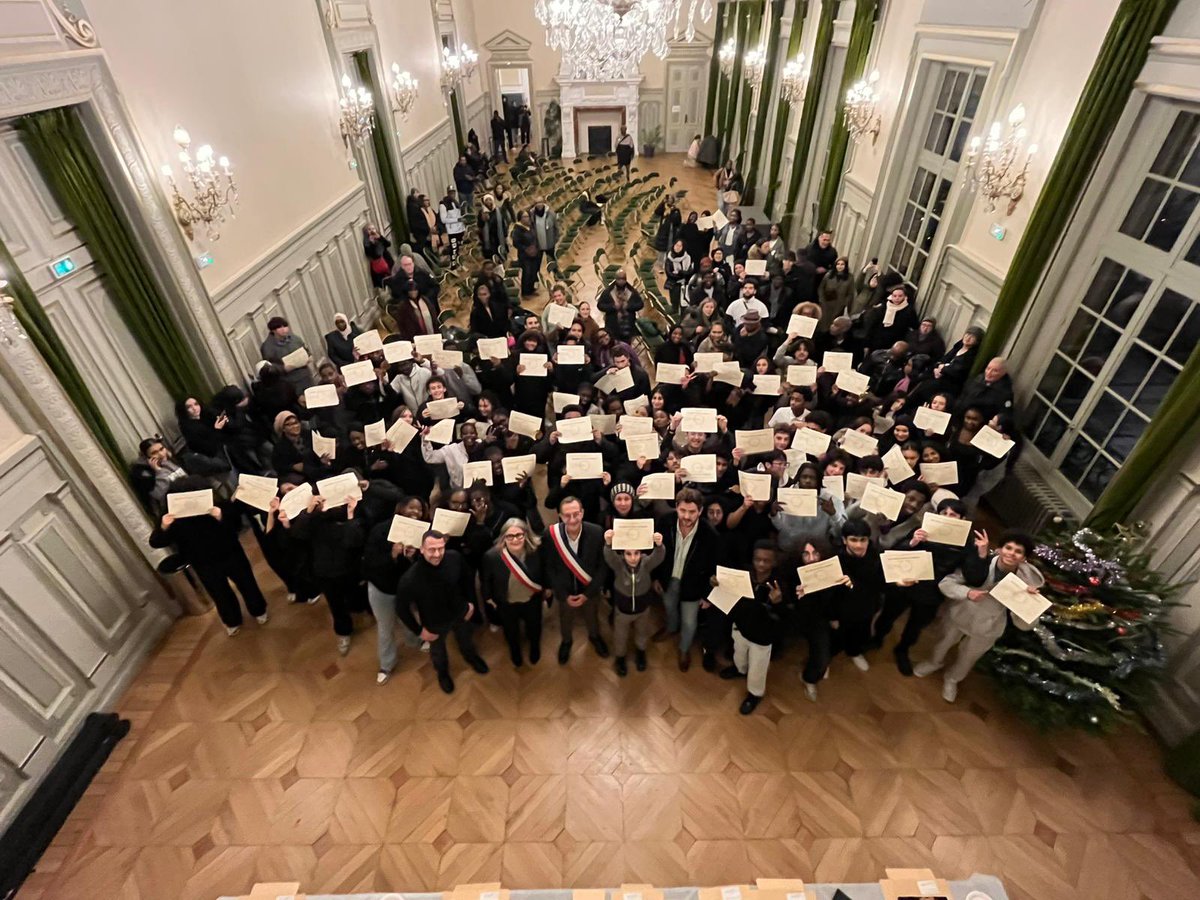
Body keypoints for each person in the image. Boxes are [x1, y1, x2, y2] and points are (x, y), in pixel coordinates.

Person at [915, 530, 1044, 703]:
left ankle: (952, 679)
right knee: (943, 640)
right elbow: (947, 583)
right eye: (1008, 547)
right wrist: (967, 592)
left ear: (1024, 558)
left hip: (989, 625)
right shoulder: (979, 563)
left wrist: (1026, 601)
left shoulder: (1027, 583)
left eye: (1018, 551)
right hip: (961, 612)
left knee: (969, 656)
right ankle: (933, 662)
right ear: (999, 549)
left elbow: (1026, 625)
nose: (1011, 553)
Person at [150, 476, 269, 636]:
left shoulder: (218, 504)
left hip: (230, 553)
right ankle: (231, 620)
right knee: (219, 593)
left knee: (247, 583)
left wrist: (220, 516)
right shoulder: (172, 514)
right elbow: (156, 542)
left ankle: (258, 610)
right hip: (202, 562)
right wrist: (164, 526)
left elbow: (237, 525)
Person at [396, 531, 489, 693]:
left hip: (460, 613)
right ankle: (443, 673)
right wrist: (419, 631)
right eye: (432, 550)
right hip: (434, 622)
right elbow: (401, 609)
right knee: (438, 652)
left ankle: (471, 657)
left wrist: (470, 605)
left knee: (466, 639)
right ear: (422, 549)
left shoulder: (454, 558)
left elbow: (467, 580)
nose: (437, 554)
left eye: (441, 548)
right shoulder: (410, 579)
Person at [651, 488, 719, 671]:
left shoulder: (710, 534)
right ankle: (671, 628)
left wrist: (707, 595)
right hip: (668, 579)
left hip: (694, 586)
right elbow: (656, 552)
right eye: (682, 511)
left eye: (692, 512)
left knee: (690, 622)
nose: (687, 516)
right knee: (669, 607)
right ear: (676, 508)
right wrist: (656, 577)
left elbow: (714, 568)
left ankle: (684, 649)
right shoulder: (665, 523)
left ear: (700, 511)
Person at [720, 540, 786, 714]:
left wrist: (778, 602)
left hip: (762, 636)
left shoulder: (780, 583)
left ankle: (755, 694)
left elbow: (786, 615)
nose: (761, 564)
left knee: (757, 668)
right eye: (758, 559)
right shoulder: (745, 574)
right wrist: (717, 583)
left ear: (774, 562)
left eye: (766, 560)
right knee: (739, 655)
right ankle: (739, 669)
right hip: (740, 627)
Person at [540, 495, 609, 663]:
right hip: (565, 591)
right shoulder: (550, 535)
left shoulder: (596, 532)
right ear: (560, 516)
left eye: (576, 514)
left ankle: (594, 636)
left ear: (582, 513)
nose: (572, 519)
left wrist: (589, 593)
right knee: (565, 618)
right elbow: (548, 567)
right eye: (567, 515)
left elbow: (603, 566)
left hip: (590, 590)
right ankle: (566, 641)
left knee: (592, 615)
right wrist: (562, 594)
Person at [481, 518, 546, 667]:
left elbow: (544, 572)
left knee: (534, 627)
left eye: (519, 535)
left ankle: (534, 648)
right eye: (510, 536)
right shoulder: (492, 556)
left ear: (526, 535)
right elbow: (486, 580)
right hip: (507, 603)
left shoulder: (536, 551)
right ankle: (515, 651)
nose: (515, 539)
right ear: (503, 537)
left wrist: (547, 589)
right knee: (511, 631)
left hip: (532, 601)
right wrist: (488, 597)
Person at [603, 527, 665, 676]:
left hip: (642, 610)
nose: (633, 558)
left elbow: (658, 556)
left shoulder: (646, 563)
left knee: (642, 633)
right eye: (628, 554)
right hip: (622, 611)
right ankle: (620, 657)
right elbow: (609, 556)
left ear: (641, 553)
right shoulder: (619, 565)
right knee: (620, 636)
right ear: (623, 554)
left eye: (636, 553)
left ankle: (641, 652)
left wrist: (659, 545)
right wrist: (608, 543)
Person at [260, 317, 314, 391]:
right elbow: (269, 367)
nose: (283, 329)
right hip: (289, 380)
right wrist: (283, 369)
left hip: (305, 376)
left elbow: (305, 349)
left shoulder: (295, 338)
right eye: (279, 327)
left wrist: (309, 356)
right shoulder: (267, 347)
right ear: (273, 330)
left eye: (285, 326)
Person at [597, 269, 644, 343]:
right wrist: (613, 306)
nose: (621, 281)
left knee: (626, 348)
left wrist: (629, 306)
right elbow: (600, 305)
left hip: (628, 326)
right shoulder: (608, 292)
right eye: (619, 279)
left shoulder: (631, 291)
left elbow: (640, 304)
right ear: (615, 279)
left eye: (623, 279)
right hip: (612, 326)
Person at [512, 209, 541, 296]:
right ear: (520, 218)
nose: (527, 218)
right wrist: (526, 249)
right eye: (524, 217)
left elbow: (535, 237)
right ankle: (525, 292)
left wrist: (535, 247)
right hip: (524, 255)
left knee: (533, 271)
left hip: (534, 253)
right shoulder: (517, 230)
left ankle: (532, 289)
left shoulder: (531, 226)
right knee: (527, 273)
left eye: (527, 216)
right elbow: (515, 243)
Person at [438, 186, 466, 266]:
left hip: (459, 229)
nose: (452, 194)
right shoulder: (443, 205)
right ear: (448, 193)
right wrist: (457, 220)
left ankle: (459, 263)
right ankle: (453, 265)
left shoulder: (455, 203)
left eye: (453, 192)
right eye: (451, 193)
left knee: (459, 248)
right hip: (451, 231)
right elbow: (443, 220)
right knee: (453, 249)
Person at [362, 224, 393, 290]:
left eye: (373, 228)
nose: (372, 231)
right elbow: (374, 254)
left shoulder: (379, 237)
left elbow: (388, 244)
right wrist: (373, 243)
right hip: (379, 265)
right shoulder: (367, 242)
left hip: (387, 260)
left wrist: (380, 238)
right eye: (369, 229)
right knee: (384, 283)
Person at [531, 197, 559, 263]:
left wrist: (555, 239)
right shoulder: (532, 215)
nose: (539, 204)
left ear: (544, 203)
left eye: (540, 202)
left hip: (550, 244)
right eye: (537, 203)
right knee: (537, 264)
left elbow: (556, 228)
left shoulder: (551, 214)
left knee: (552, 262)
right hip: (538, 245)